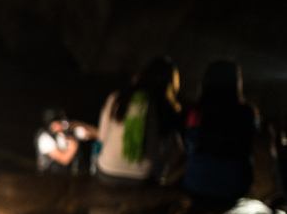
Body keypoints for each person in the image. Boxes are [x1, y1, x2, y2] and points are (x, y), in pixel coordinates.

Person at [95, 56, 183, 185]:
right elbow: (173, 151)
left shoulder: (117, 98)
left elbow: (102, 137)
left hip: (107, 171)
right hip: (142, 178)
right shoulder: (165, 107)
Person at [182, 60, 260, 203]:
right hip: (234, 185)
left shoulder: (197, 111)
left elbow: (189, 143)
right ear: (237, 83)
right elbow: (249, 146)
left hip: (196, 182)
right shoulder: (247, 113)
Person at [35, 107, 100, 175]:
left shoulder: (68, 131)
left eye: (63, 121)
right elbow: (64, 159)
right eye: (58, 122)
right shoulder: (44, 137)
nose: (62, 124)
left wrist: (76, 124)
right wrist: (73, 146)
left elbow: (96, 134)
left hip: (71, 175)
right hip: (50, 176)